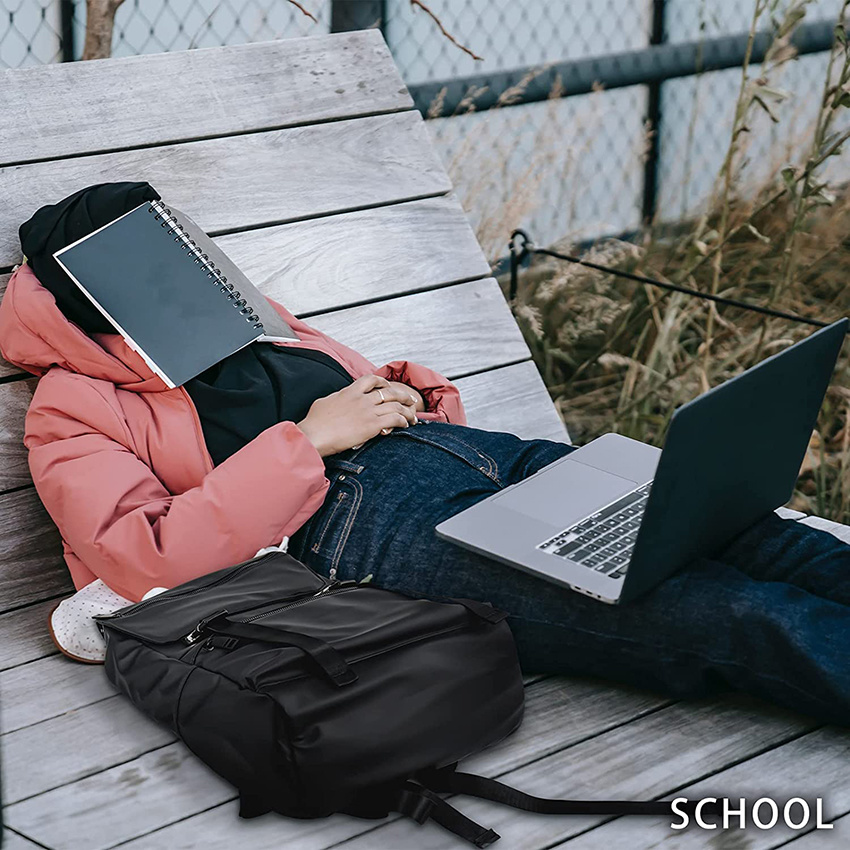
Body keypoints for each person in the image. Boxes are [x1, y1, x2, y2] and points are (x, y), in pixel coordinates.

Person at [3, 182, 850, 727]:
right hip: (350, 527)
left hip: (462, 453)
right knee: (717, 608)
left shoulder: (250, 314)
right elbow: (146, 557)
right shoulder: (72, 409)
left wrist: (407, 390)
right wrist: (307, 441)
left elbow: (352, 381)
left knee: (743, 527)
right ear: (85, 299)